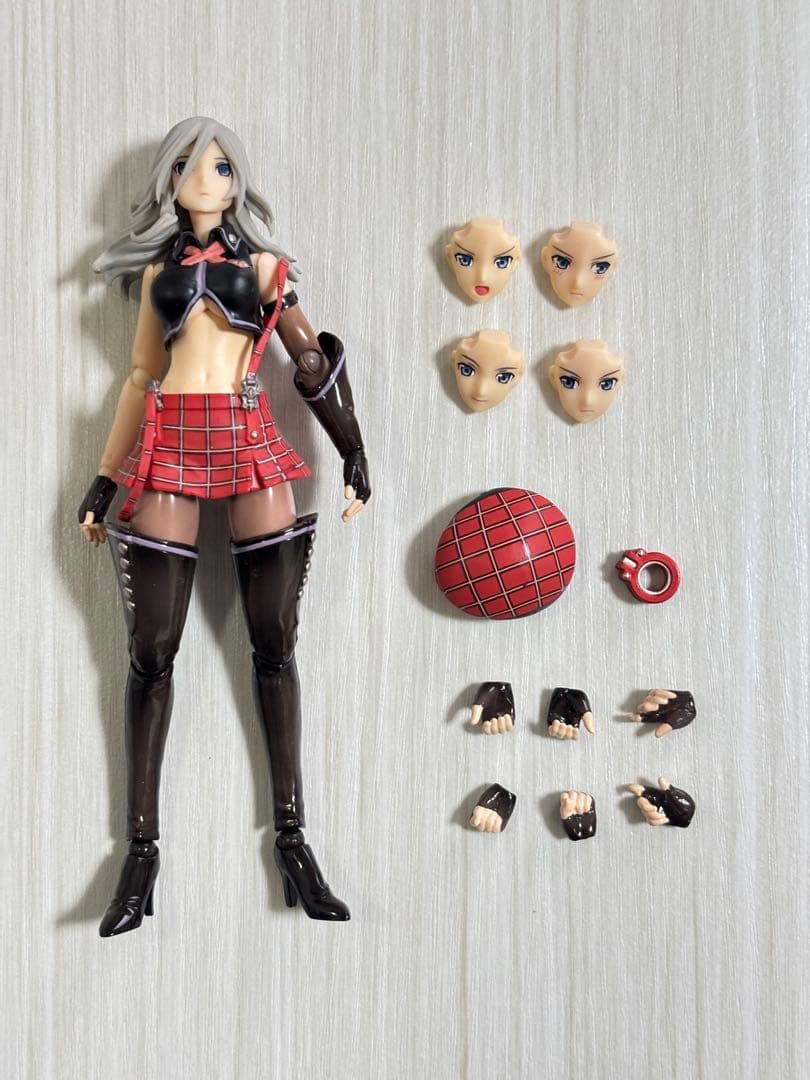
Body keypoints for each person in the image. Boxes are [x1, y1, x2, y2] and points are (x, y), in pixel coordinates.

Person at [79, 117, 370, 935]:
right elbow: (140, 373)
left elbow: (309, 361)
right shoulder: (158, 275)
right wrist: (104, 475)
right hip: (169, 437)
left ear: (238, 179)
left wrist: (353, 448)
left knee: (274, 640)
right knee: (151, 648)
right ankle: (140, 851)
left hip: (246, 434)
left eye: (219, 166)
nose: (206, 178)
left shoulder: (267, 270)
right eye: (188, 165)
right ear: (168, 182)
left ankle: (294, 841)